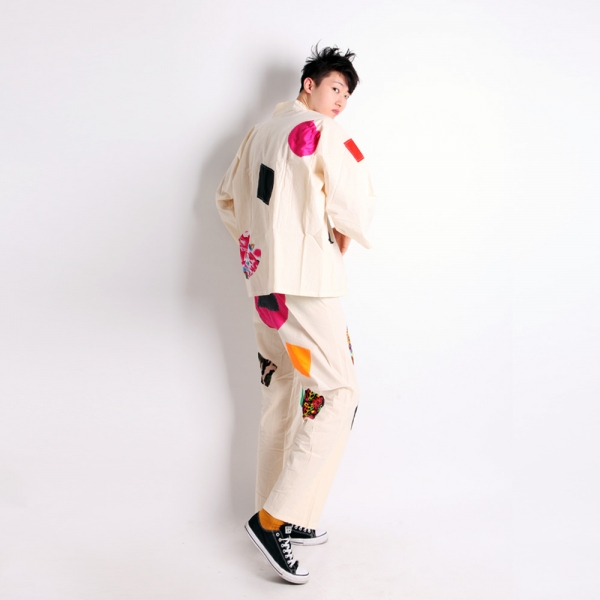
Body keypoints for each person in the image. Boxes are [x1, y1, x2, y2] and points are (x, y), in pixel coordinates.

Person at [215, 45, 377, 584]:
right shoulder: (321, 130)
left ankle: (283, 514)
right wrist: (340, 232)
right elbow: (355, 195)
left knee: (283, 389)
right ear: (309, 83)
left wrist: (263, 245)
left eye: (347, 95)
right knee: (337, 391)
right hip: (305, 281)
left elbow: (227, 200)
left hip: (264, 284)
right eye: (336, 88)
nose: (341, 101)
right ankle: (272, 520)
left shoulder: (258, 132)